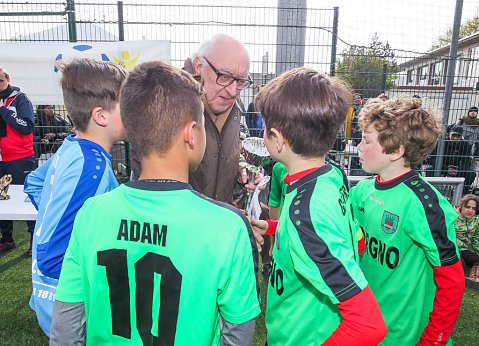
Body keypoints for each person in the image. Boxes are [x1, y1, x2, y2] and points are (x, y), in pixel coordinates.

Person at [50, 61, 260, 345]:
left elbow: (66, 327)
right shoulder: (228, 228)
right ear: (192, 134)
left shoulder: (91, 214)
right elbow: (237, 334)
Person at [252, 68, 387, 345]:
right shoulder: (330, 174)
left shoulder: (306, 214)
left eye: (263, 128)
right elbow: (350, 240)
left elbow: (368, 324)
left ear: (277, 138)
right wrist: (274, 227)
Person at [23, 58, 128, 336]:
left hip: (49, 295)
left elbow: (33, 183)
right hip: (72, 307)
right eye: (127, 103)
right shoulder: (91, 167)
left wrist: (54, 210)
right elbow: (54, 258)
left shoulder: (71, 146)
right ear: (101, 115)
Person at [350, 96, 465, 345]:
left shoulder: (425, 204)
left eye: (366, 140)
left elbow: (452, 280)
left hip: (404, 335)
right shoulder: (361, 191)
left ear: (395, 151)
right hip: (366, 324)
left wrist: (434, 339)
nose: (358, 146)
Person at [130, 34, 257, 204]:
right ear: (198, 65)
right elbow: (146, 169)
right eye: (225, 77)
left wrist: (240, 169)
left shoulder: (235, 104)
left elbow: (221, 150)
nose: (233, 91)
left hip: (217, 217)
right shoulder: (165, 99)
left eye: (241, 81)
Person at [0, 66, 36, 254]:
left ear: (8, 79)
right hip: (1, 158)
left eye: (1, 80)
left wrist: (4, 111)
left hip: (20, 158)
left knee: (27, 198)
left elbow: (27, 127)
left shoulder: (21, 100)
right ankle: (6, 239)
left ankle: (33, 240)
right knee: (1, 199)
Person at [440, 126, 476, 194]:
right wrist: (446, 168)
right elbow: (432, 160)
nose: (455, 138)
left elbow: (466, 162)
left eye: (458, 136)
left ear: (461, 136)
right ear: (449, 134)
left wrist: (458, 170)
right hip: (441, 168)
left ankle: (462, 195)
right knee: (430, 169)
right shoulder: (441, 143)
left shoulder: (465, 145)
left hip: (457, 170)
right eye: (453, 135)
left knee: (471, 173)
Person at [454, 194, 479, 284]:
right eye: (467, 207)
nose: (470, 211)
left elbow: (475, 240)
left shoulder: (476, 221)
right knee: (461, 265)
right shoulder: (453, 216)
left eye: (474, 208)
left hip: (463, 249)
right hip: (451, 248)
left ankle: (474, 279)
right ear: (461, 206)